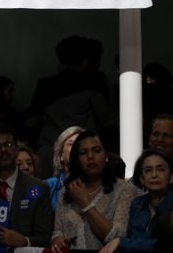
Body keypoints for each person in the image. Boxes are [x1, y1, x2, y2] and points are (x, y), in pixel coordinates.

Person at [25, 36, 118, 178]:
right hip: (84, 152)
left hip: (49, 152)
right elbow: (108, 122)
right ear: (84, 60)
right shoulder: (93, 83)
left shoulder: (45, 85)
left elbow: (31, 121)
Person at [0, 125, 53, 248]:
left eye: (8, 145)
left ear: (17, 150)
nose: (3, 150)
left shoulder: (39, 187)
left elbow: (45, 238)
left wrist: (24, 241)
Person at [51, 130, 136, 253]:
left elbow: (118, 237)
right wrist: (57, 239)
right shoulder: (67, 190)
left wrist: (85, 203)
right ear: (76, 158)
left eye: (97, 151)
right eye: (83, 153)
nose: (90, 157)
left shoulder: (124, 189)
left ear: (106, 155)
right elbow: (58, 231)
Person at [96, 148, 173, 253]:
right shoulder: (137, 204)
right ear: (142, 179)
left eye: (161, 169)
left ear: (171, 177)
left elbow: (163, 246)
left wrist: (121, 242)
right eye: (148, 170)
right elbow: (133, 243)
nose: (154, 175)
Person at [45, 126, 85, 210]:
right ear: (61, 155)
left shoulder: (98, 185)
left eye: (80, 144)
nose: (76, 147)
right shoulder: (49, 186)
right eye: (71, 144)